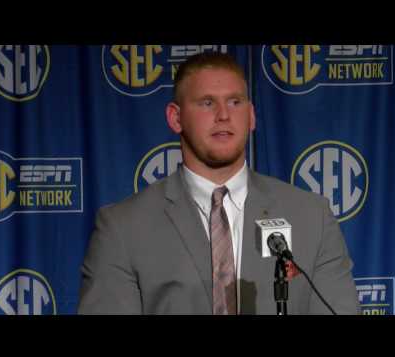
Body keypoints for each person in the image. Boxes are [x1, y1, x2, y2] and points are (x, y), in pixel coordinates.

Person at [77, 52, 361, 315]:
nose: (224, 115)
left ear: (251, 116)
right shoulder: (123, 228)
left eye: (235, 102)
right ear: (176, 118)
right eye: (207, 102)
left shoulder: (311, 216)